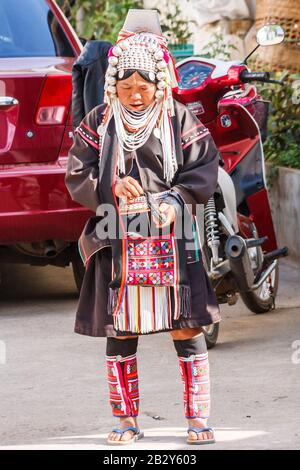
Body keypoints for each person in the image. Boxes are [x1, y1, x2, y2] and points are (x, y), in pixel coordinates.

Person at [65, 9, 221, 446]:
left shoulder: (178, 119)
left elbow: (204, 166)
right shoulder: (99, 121)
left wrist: (175, 200)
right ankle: (126, 421)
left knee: (186, 325)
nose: (135, 96)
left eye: (145, 87)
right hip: (118, 239)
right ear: (113, 85)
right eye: (126, 87)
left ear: (160, 84)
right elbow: (77, 174)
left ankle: (197, 420)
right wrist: (110, 185)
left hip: (172, 239)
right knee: (122, 329)